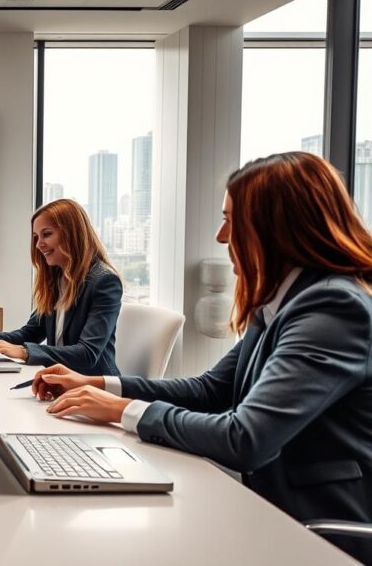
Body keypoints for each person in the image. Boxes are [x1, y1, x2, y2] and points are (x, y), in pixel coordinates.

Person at [31, 152, 372, 563]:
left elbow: (245, 438)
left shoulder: (331, 307)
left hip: (314, 533)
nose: (220, 235)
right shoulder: (284, 300)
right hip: (263, 507)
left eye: (231, 219)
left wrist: (121, 410)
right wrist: (97, 384)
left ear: (275, 227)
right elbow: (211, 389)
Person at [0, 198, 123, 375]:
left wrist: (25, 352)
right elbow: (31, 332)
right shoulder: (57, 278)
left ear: (72, 233)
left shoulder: (104, 282)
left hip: (94, 387)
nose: (38, 244)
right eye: (36, 237)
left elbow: (87, 354)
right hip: (61, 381)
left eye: (47, 234)